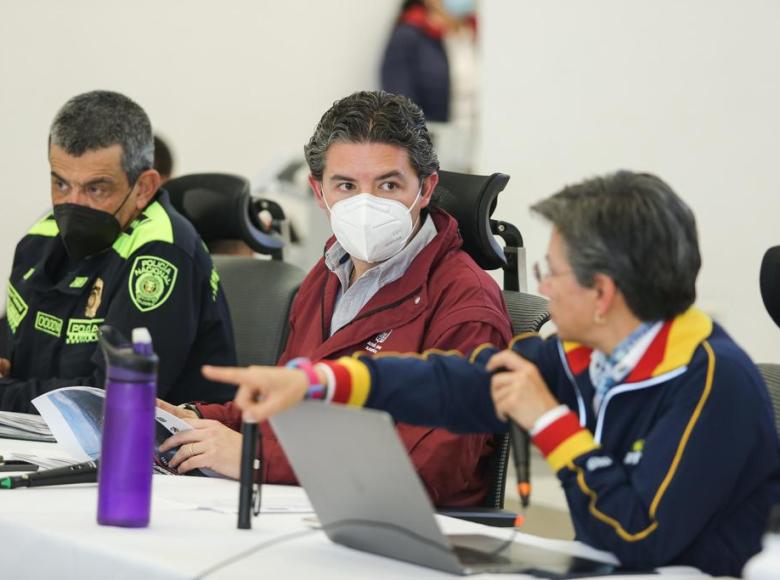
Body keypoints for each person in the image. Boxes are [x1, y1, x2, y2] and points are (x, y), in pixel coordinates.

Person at [206, 171, 780, 576]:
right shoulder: (588, 352)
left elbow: (635, 535)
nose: (543, 288)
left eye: (550, 273)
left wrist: (548, 421)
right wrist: (323, 382)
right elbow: (461, 384)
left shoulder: (710, 381)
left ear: (602, 293)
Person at [159, 90, 513, 507]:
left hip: (399, 539)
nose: (365, 204)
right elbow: (291, 407)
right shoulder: (327, 275)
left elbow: (430, 471)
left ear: (427, 187)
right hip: (306, 508)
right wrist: (198, 419)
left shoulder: (466, 305)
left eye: (388, 184)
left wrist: (256, 457)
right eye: (346, 185)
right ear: (318, 191)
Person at [0, 90, 237, 412]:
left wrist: (6, 396)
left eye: (96, 188)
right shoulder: (41, 237)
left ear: (143, 188)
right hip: (38, 444)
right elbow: (12, 349)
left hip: (157, 452)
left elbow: (110, 402)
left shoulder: (162, 254)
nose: (74, 204)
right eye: (61, 184)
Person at [381, 0, 479, 171]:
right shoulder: (409, 35)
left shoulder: (476, 33)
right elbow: (401, 108)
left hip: (478, 147)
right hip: (438, 154)